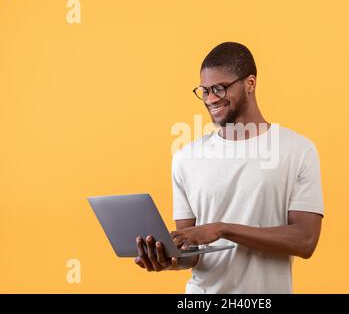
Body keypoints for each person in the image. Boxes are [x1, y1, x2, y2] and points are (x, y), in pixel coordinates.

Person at [135, 42, 325, 294]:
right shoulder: (185, 157)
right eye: (204, 90)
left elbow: (305, 241)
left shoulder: (298, 150)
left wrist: (222, 229)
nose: (211, 99)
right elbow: (191, 251)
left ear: (250, 83)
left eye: (219, 88)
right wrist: (166, 259)